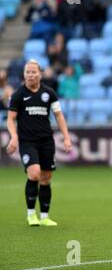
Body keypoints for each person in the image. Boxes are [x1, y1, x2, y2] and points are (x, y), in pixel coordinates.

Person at [6, 60, 72, 227]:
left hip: (46, 141)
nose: (30, 75)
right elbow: (11, 119)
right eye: (27, 72)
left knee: (46, 178)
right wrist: (14, 136)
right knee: (34, 173)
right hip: (28, 141)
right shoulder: (18, 94)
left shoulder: (49, 93)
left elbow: (59, 116)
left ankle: (44, 217)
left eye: (33, 72)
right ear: (24, 74)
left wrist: (66, 137)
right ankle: (31, 215)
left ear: (40, 74)